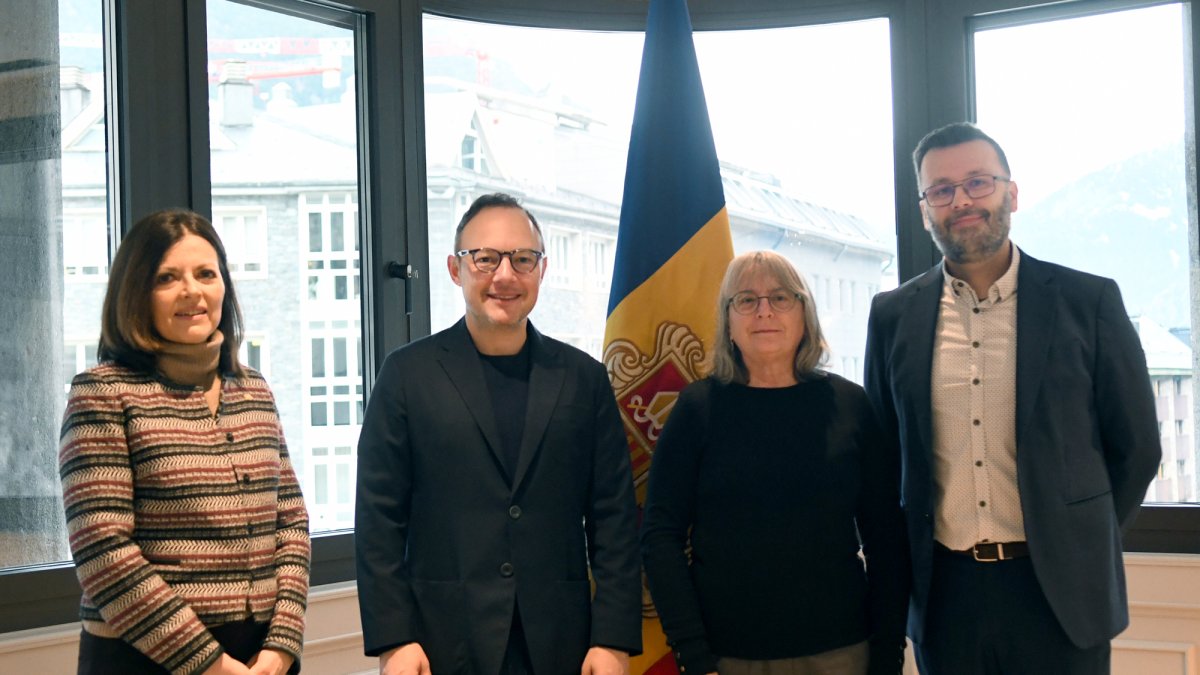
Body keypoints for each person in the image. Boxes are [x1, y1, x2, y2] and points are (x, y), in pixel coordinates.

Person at [863, 122, 1162, 674]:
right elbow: (884, 460)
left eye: (978, 182)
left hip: (1061, 596)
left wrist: (1074, 537)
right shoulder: (892, 317)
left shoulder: (1087, 301)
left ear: (1011, 192)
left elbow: (1137, 448)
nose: (962, 201)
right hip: (945, 598)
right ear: (926, 206)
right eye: (942, 189)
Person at [355, 192, 642, 675]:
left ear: (541, 270)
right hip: (440, 642)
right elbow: (379, 520)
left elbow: (613, 518)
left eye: (522, 259)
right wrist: (394, 638)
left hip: (562, 643)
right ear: (455, 268)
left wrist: (611, 639)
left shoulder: (583, 379)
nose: (505, 275)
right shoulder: (407, 375)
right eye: (486, 259)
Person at [59, 209, 310, 675]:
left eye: (205, 274)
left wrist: (282, 645)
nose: (191, 291)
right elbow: (103, 550)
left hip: (262, 657)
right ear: (136, 293)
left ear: (224, 288)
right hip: (143, 656)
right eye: (166, 277)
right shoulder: (103, 394)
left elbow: (291, 524)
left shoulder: (252, 389)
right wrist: (210, 664)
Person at [640, 250, 910, 675]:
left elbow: (887, 541)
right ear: (728, 321)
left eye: (781, 297)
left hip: (842, 652)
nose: (764, 311)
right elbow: (660, 535)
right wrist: (693, 653)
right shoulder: (698, 409)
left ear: (806, 314)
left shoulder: (850, 405)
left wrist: (887, 654)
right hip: (727, 656)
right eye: (746, 300)